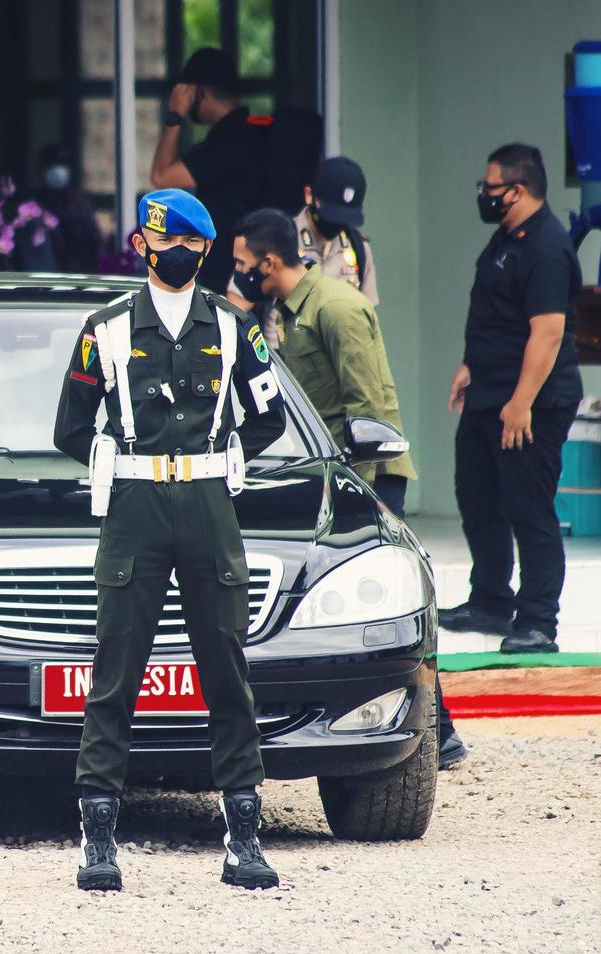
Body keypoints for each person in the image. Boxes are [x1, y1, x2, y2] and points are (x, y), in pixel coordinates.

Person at [54, 188, 285, 893]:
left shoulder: (234, 326)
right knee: (116, 666)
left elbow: (268, 414)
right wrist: (116, 463)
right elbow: (70, 427)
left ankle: (243, 838)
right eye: (161, 243)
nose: (172, 254)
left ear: (205, 250)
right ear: (141, 247)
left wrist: (227, 453)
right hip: (135, 502)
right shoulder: (107, 328)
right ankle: (98, 842)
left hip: (210, 502)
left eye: (185, 245)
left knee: (226, 666)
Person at [232, 207, 467, 769]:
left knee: (393, 606)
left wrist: (352, 495)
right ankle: (445, 732)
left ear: (268, 261)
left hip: (366, 475)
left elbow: (369, 407)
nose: (237, 272)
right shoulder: (283, 309)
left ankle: (437, 732)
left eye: (242, 263)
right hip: (328, 469)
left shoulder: (337, 307)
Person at [440, 144, 582, 654]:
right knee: (477, 496)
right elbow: (497, 314)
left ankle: (538, 620)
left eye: (490, 187)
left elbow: (546, 333)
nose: (484, 195)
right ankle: (491, 600)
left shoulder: (546, 246)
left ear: (517, 190)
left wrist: (520, 403)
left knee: (528, 507)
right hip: (489, 392)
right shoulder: (506, 239)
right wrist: (470, 365)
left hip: (531, 403)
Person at [148, 48, 265, 293]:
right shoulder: (251, 132)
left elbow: (161, 176)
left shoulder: (229, 139)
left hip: (230, 266)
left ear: (199, 93)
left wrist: (175, 115)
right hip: (253, 260)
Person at [231, 156, 379, 346]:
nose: (336, 224)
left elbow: (367, 316)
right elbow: (236, 306)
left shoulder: (358, 248)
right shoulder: (277, 238)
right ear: (309, 195)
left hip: (337, 358)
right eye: (332, 214)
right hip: (283, 358)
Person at [32, 144, 102, 273]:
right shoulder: (35, 202)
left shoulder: (79, 201)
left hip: (79, 272)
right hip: (45, 272)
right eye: (52, 165)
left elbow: (94, 240)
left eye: (61, 164)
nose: (57, 170)